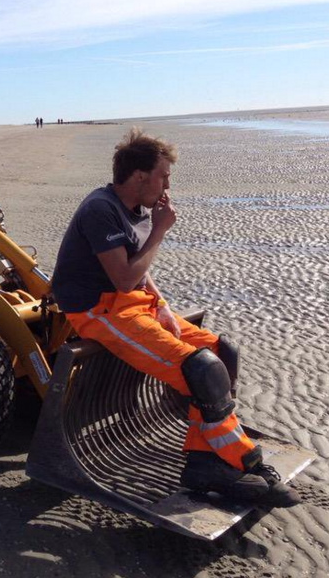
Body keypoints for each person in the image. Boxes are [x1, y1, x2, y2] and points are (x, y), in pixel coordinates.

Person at [50, 128, 299, 507]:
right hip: (96, 310)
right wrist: (161, 232)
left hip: (131, 301)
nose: (168, 183)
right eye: (164, 175)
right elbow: (123, 275)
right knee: (200, 370)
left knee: (222, 353)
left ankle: (204, 458)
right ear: (139, 177)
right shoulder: (100, 209)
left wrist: (161, 301)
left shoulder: (139, 208)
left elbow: (136, 268)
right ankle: (235, 458)